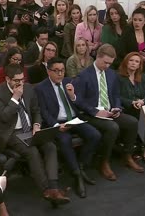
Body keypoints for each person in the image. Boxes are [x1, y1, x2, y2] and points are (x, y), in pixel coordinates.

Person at [0, 64, 70, 205]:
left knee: (50, 146)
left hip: (31, 130)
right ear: (7, 78)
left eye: (22, 79)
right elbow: (4, 117)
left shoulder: (28, 88)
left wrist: (37, 125)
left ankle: (53, 187)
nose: (20, 83)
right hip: (12, 132)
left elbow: (36, 110)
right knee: (31, 150)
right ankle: (47, 191)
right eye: (16, 80)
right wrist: (15, 98)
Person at [73, 44, 144, 181]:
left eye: (110, 63)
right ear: (97, 57)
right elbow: (78, 101)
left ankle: (127, 155)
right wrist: (95, 112)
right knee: (113, 127)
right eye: (105, 62)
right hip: (90, 113)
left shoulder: (112, 74)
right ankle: (104, 162)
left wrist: (117, 108)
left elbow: (116, 95)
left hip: (109, 111)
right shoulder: (84, 75)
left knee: (132, 122)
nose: (107, 66)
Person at [35, 57, 101, 198]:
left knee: (95, 135)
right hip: (57, 123)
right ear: (49, 71)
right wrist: (56, 125)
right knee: (65, 141)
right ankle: (77, 175)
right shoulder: (40, 88)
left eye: (62, 70)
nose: (60, 74)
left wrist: (73, 97)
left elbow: (79, 103)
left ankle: (81, 166)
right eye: (56, 71)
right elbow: (43, 111)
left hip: (74, 119)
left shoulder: (68, 82)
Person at [118, 52, 145, 162]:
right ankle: (139, 147)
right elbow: (117, 97)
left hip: (140, 107)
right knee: (141, 116)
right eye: (131, 60)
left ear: (139, 65)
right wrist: (131, 102)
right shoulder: (118, 77)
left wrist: (142, 101)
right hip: (126, 108)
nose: (133, 63)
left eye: (137, 61)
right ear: (126, 62)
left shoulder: (143, 76)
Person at [121, 8, 145, 81]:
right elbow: (122, 52)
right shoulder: (127, 33)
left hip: (144, 68)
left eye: (140, 20)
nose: (137, 23)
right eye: (135, 20)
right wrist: (136, 57)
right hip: (129, 68)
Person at [101, 3, 129, 69]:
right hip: (111, 61)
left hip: (125, 60)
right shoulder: (106, 28)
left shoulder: (127, 27)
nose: (114, 16)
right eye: (112, 14)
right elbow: (105, 46)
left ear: (121, 13)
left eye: (116, 13)